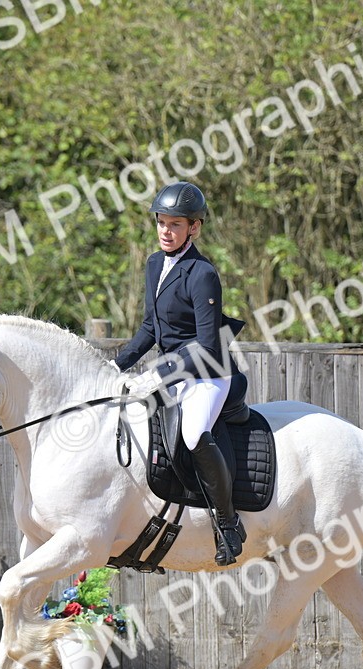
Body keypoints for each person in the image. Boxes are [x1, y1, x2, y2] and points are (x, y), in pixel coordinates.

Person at [113, 181, 247, 566]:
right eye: (161, 222)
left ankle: (228, 523)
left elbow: (207, 346)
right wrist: (117, 365)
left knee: (192, 433)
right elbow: (150, 327)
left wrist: (160, 375)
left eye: (175, 224)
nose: (166, 231)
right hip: (172, 369)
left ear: (194, 228)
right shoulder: (154, 264)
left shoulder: (202, 273)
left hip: (208, 372)